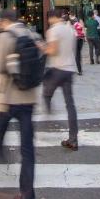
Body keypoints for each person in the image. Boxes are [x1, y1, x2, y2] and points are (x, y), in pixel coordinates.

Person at [0, 9, 39, 199]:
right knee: (27, 149)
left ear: (4, 21)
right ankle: (27, 193)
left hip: (9, 98)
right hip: (28, 98)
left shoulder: (3, 38)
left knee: (0, 129)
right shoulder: (32, 34)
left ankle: (0, 150)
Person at [43, 9, 79, 150]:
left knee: (46, 94)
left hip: (57, 69)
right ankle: (73, 139)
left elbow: (53, 51)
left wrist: (42, 48)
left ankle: (48, 117)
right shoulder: (69, 29)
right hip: (70, 69)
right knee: (70, 105)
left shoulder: (53, 30)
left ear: (52, 18)